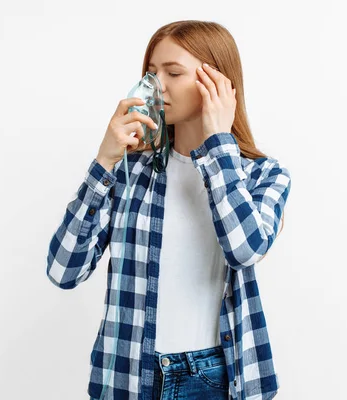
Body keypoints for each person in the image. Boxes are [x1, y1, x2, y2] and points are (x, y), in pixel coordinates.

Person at [47, 20, 292, 400]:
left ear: (218, 84)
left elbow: (245, 250)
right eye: (151, 72)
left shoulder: (261, 174)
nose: (156, 85)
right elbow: (63, 270)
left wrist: (219, 143)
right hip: (127, 377)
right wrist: (104, 162)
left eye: (173, 72)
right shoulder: (131, 172)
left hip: (213, 379)